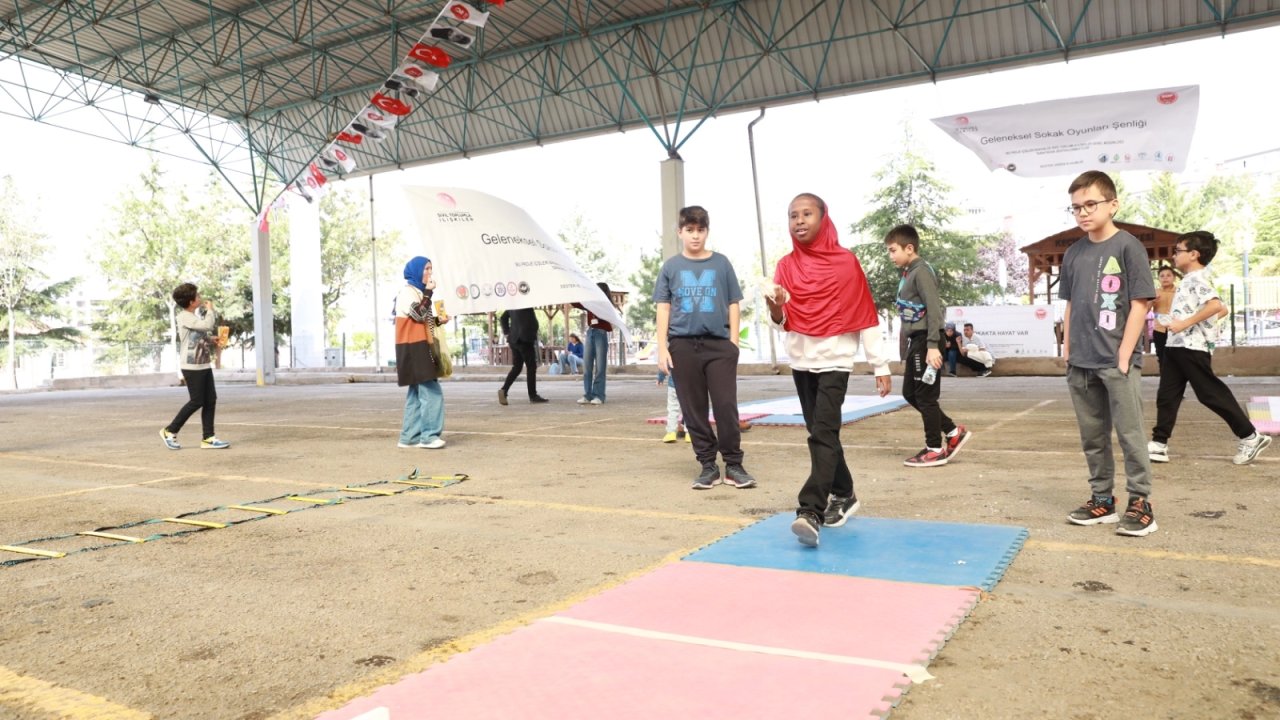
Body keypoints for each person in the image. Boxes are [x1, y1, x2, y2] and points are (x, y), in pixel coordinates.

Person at [766, 194, 892, 548]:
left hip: (836, 360)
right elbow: (781, 322)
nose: (799, 221)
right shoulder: (785, 266)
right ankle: (845, 493)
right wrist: (775, 307)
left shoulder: (845, 263)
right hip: (801, 360)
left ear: (823, 219)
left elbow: (866, 314)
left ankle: (810, 511)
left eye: (807, 214)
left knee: (822, 432)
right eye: (793, 215)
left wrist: (879, 365)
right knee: (821, 432)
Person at [1060, 170, 1158, 537]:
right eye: (1076, 207)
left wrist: (1124, 356)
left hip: (1116, 363)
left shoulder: (1128, 246)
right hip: (1081, 363)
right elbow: (1070, 305)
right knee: (1093, 437)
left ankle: (1140, 502)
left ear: (1112, 205)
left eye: (1090, 204)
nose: (1083, 212)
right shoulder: (1073, 253)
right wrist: (1068, 349)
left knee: (1130, 435)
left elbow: (1141, 303)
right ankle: (1102, 500)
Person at [654, 205, 756, 490]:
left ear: (707, 231)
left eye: (700, 230)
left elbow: (734, 302)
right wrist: (662, 348)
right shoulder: (671, 267)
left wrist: (733, 343)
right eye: (689, 230)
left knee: (725, 405)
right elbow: (663, 307)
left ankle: (733, 465)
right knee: (693, 410)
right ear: (680, 232)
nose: (695, 236)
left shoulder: (721, 264)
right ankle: (708, 465)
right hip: (683, 346)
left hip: (718, 345)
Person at [1148, 231, 1271, 465]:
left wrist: (1185, 323)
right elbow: (1222, 309)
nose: (1174, 255)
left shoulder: (1198, 278)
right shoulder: (1189, 279)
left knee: (1210, 393)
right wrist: (1192, 323)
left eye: (1178, 251)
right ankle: (1159, 443)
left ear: (1194, 254)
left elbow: (1215, 306)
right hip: (1176, 345)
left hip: (1191, 347)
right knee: (1167, 395)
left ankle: (1250, 436)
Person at [885, 224, 971, 468]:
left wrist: (933, 345)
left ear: (909, 248)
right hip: (918, 341)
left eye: (893, 250)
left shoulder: (921, 271)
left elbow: (934, 309)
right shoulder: (909, 272)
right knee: (910, 394)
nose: (890, 256)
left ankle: (935, 448)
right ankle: (952, 432)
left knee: (925, 396)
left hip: (927, 341)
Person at [160, 283, 229, 450]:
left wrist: (211, 339)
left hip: (203, 363)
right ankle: (170, 430)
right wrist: (210, 311)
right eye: (197, 296)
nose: (200, 298)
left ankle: (208, 437)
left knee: (210, 400)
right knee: (197, 401)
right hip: (191, 366)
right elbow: (206, 325)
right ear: (191, 302)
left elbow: (197, 335)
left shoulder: (192, 316)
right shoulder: (184, 316)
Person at [395, 256, 448, 449]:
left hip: (416, 346)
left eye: (431, 269)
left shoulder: (418, 292)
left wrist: (439, 320)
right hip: (414, 347)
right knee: (431, 391)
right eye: (426, 269)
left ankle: (409, 437)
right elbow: (417, 314)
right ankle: (429, 437)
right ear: (416, 271)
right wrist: (429, 292)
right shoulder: (407, 292)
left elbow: (422, 321)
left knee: (416, 392)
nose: (429, 273)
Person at [498, 307, 548, 405]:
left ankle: (504, 390)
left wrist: (507, 332)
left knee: (517, 367)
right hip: (525, 339)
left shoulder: (513, 305)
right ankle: (533, 395)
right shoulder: (526, 304)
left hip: (514, 339)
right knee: (531, 367)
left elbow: (503, 318)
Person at [577, 283, 613, 405]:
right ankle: (588, 394)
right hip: (590, 332)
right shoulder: (590, 302)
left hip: (601, 333)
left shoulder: (606, 304)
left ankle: (599, 395)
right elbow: (576, 303)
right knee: (587, 366)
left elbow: (609, 321)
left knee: (600, 366)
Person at [1151, 265, 1180, 365]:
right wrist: (1152, 301)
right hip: (1159, 329)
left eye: (1168, 275)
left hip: (1177, 328)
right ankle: (1164, 374)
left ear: (1174, 278)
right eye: (1162, 276)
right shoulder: (1154, 293)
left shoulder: (1180, 292)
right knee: (1162, 357)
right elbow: (1145, 310)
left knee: (1178, 357)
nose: (1165, 278)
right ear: (1158, 278)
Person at [655, 368, 690, 443]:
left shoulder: (673, 358)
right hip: (690, 385)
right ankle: (689, 434)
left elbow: (664, 366)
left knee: (672, 409)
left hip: (673, 385)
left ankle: (671, 433)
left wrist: (660, 378)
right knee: (689, 409)